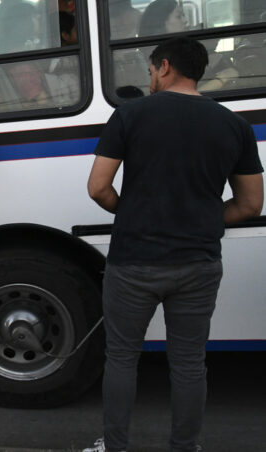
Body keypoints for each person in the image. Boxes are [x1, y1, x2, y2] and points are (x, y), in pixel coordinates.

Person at [83, 37, 263, 452]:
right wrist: (203, 218)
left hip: (134, 262)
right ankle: (185, 447)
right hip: (198, 263)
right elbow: (251, 203)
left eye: (150, 71)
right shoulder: (234, 124)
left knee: (123, 358)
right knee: (188, 363)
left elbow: (97, 187)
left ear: (165, 67)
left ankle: (115, 446)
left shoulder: (130, 116)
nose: (149, 79)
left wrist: (129, 212)